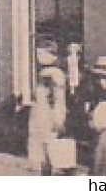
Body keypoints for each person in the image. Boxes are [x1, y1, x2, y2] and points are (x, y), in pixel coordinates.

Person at [28, 45, 67, 173]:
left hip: (48, 116)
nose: (39, 57)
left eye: (42, 54)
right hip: (40, 115)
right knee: (41, 150)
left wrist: (58, 119)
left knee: (48, 148)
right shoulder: (42, 73)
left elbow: (58, 99)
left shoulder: (54, 74)